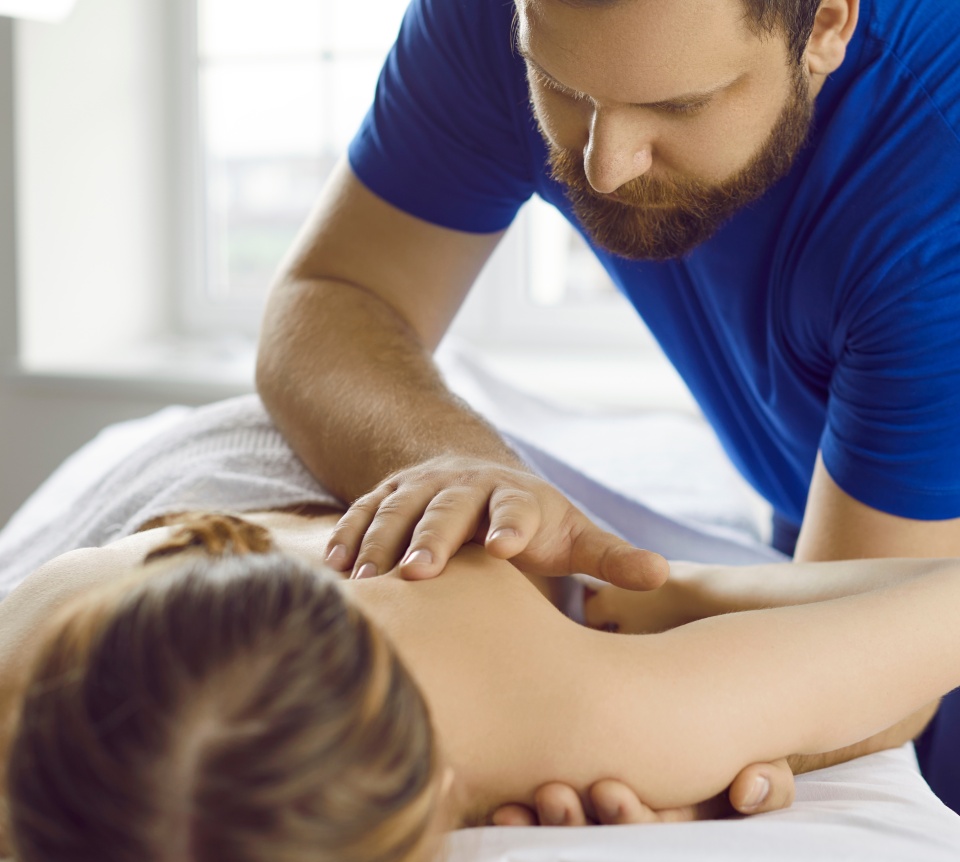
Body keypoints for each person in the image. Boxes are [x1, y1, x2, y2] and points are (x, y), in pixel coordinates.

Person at [254, 0, 960, 814]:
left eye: (678, 106)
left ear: (828, 25)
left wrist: (655, 762)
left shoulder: (933, 185)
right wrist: (460, 469)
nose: (606, 165)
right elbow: (332, 294)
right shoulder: (497, 16)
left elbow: (883, 664)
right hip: (816, 498)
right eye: (559, 86)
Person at [0, 397, 955, 862]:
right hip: (143, 504)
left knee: (644, 608)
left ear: (443, 791)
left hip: (290, 449)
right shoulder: (34, 721)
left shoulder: (520, 696)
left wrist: (711, 751)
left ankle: (666, 600)